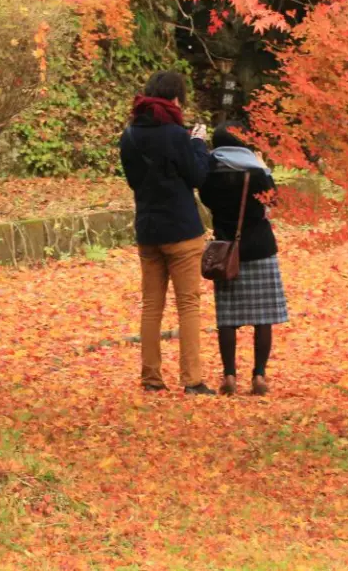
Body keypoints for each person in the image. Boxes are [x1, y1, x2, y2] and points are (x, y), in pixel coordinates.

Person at [118, 71, 213, 395]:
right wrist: (198, 144)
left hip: (148, 229)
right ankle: (192, 379)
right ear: (175, 99)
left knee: (151, 306)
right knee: (188, 304)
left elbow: (134, 181)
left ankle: (151, 378)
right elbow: (198, 176)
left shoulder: (130, 135)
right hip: (182, 229)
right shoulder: (176, 134)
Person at [198, 124, 289, 395]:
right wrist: (264, 167)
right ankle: (259, 375)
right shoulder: (256, 172)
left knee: (227, 317)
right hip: (260, 249)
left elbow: (207, 200)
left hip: (227, 252)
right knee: (263, 317)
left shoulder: (209, 174)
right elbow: (273, 200)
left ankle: (229, 375)